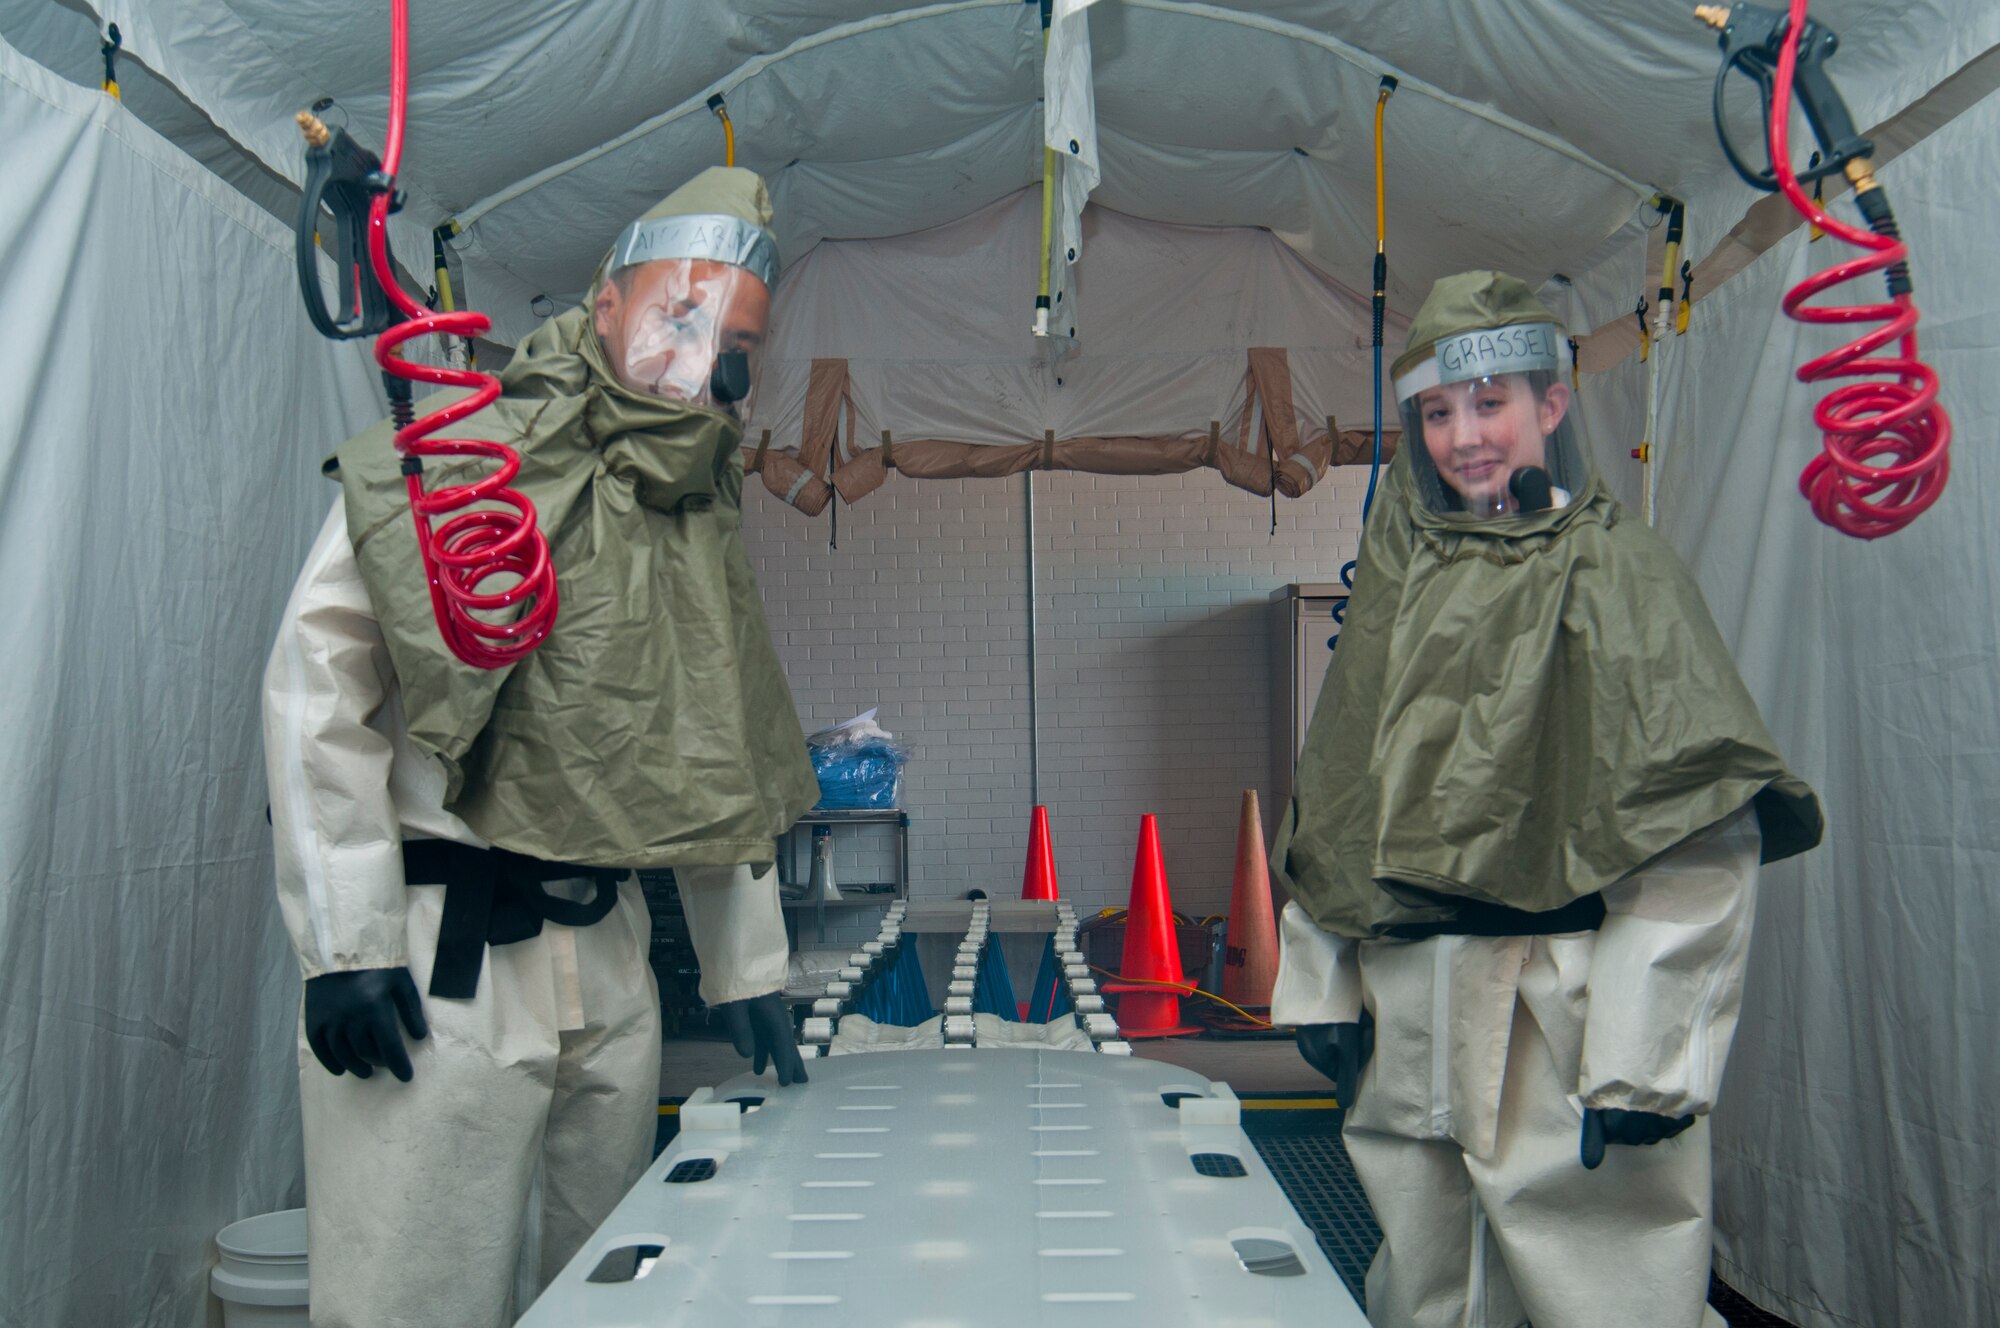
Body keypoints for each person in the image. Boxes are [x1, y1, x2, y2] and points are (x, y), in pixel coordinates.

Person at [262, 166, 820, 1328]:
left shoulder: (690, 508)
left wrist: (746, 964)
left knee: (600, 1287)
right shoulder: (455, 457)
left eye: (734, 342)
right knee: (412, 1291)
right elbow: (317, 685)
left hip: (608, 956)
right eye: (681, 317)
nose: (703, 364)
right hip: (442, 964)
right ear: (606, 302)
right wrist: (345, 943)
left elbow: (709, 743)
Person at [1270, 270, 1823, 1328]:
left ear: (1551, 403)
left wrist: (1647, 1055)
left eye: (1490, 403)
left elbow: (1693, 825)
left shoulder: (1617, 571)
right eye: (1438, 412)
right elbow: (1339, 791)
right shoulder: (1401, 571)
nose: (1464, 436)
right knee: (1426, 1281)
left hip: (1559, 1008)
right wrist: (1321, 979)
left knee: (1600, 1280)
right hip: (1414, 999)